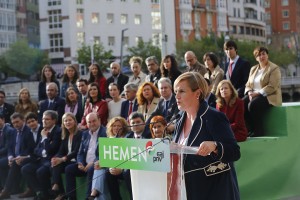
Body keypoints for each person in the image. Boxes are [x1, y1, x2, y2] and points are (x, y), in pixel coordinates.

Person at [172, 72, 240, 199]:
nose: (177, 96)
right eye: (176, 91)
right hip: (189, 192)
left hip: (216, 192)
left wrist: (215, 146)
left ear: (197, 93)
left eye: (181, 91)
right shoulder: (180, 120)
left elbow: (234, 152)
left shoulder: (214, 117)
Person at [64, 113, 107, 200]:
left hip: (96, 164)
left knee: (92, 169)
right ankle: (71, 197)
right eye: (89, 122)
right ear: (86, 124)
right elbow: (80, 153)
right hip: (84, 165)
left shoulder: (105, 132)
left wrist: (93, 162)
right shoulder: (85, 134)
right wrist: (80, 163)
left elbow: (103, 153)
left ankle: (88, 197)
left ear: (99, 120)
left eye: (94, 121)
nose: (92, 124)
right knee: (69, 169)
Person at [21, 110, 61, 200]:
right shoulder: (43, 131)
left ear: (54, 121)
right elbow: (36, 150)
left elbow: (51, 150)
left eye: (47, 119)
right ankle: (39, 191)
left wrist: (45, 138)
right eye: (43, 119)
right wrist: (43, 151)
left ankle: (47, 195)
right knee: (25, 169)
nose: (44, 121)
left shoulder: (57, 131)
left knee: (40, 171)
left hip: (51, 160)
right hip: (42, 159)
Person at [243, 46, 282, 137]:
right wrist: (249, 92)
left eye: (263, 54)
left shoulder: (274, 68)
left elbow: (273, 86)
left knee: (253, 105)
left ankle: (259, 131)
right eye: (259, 55)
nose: (261, 56)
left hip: (269, 96)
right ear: (256, 58)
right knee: (241, 104)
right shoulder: (253, 69)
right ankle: (250, 129)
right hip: (254, 94)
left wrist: (258, 93)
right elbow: (248, 84)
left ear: (267, 55)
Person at [90, 117, 129, 200]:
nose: (116, 128)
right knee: (100, 169)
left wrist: (104, 164)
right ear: (111, 127)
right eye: (114, 126)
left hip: (123, 168)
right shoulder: (107, 140)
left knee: (104, 171)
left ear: (124, 127)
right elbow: (99, 155)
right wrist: (100, 162)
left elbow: (125, 157)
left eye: (119, 126)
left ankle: (93, 194)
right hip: (110, 168)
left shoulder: (127, 138)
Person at [0, 113, 35, 199]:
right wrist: (10, 157)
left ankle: (7, 190)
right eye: (13, 123)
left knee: (16, 164)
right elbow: (10, 147)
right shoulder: (14, 131)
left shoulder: (28, 131)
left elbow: (30, 148)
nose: (16, 124)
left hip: (27, 156)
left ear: (23, 120)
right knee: (12, 162)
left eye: (17, 122)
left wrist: (20, 157)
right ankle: (9, 189)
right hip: (16, 157)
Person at [50, 112, 82, 199]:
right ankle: (59, 190)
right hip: (68, 160)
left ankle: (62, 192)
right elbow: (61, 151)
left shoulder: (80, 134)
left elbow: (76, 151)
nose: (68, 122)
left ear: (75, 121)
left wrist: (63, 159)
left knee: (65, 167)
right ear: (63, 123)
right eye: (65, 121)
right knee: (54, 164)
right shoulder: (65, 135)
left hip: (76, 160)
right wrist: (55, 158)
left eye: (70, 120)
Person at [0, 114, 16, 191]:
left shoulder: (9, 130)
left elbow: (7, 147)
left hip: (8, 154)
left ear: (3, 119)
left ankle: (5, 188)